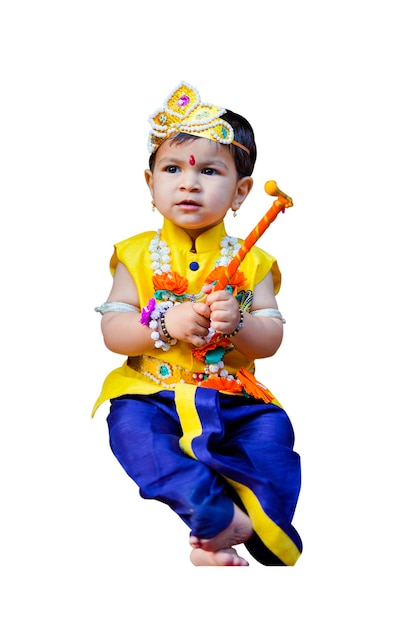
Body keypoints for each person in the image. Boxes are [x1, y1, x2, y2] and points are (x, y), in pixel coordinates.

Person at [92, 82, 302, 566]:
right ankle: (216, 523)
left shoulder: (255, 262)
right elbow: (112, 332)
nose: (188, 184)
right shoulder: (135, 253)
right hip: (150, 391)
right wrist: (163, 324)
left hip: (234, 396)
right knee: (138, 441)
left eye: (209, 171)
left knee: (272, 446)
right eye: (172, 170)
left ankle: (232, 535)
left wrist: (240, 323)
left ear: (241, 192)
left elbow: (270, 341)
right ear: (150, 185)